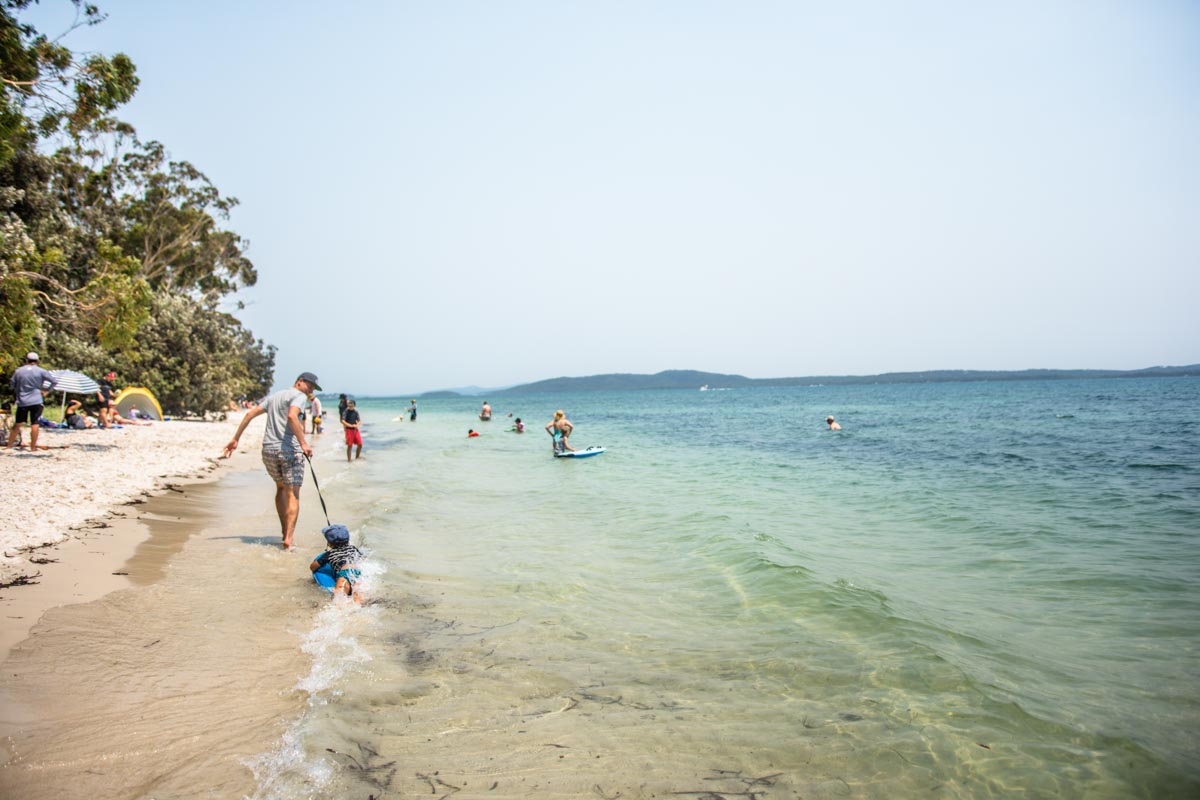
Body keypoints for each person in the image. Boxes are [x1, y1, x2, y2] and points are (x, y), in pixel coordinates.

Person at [222, 372, 320, 550]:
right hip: (290, 451)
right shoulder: (298, 396)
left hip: (268, 450)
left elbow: (250, 414)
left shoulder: (274, 397)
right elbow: (292, 416)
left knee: (281, 488)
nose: (311, 390)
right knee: (293, 494)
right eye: (310, 385)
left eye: (313, 388)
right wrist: (304, 443)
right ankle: (288, 538)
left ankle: (284, 532)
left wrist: (236, 438)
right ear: (299, 382)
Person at [7, 352, 57, 452]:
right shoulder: (41, 371)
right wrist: (46, 391)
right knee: (35, 424)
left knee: (18, 424)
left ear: (27, 360)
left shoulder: (18, 371)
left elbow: (11, 385)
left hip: (22, 401)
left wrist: (18, 389)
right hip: (36, 400)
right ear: (37, 361)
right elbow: (54, 381)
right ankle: (33, 447)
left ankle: (9, 445)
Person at [310, 524, 364, 604]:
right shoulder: (353, 548)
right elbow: (362, 559)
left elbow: (313, 567)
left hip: (344, 574)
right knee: (358, 597)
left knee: (338, 599)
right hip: (357, 573)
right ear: (348, 541)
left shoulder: (329, 554)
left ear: (329, 544)